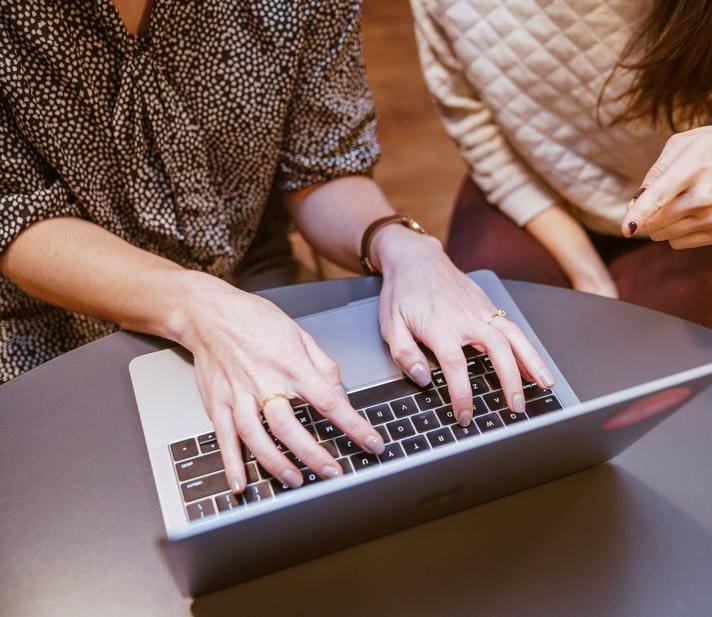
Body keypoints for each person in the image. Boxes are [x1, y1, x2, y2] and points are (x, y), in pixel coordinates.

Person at [0, 1, 554, 493]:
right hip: (56, 319)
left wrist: (401, 244)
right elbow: (17, 217)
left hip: (246, 269)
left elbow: (323, 167)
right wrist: (197, 305)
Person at [411, 0, 712, 338]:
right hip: (525, 187)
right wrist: (584, 267)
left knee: (635, 407)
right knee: (494, 381)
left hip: (695, 217)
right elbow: (475, 121)